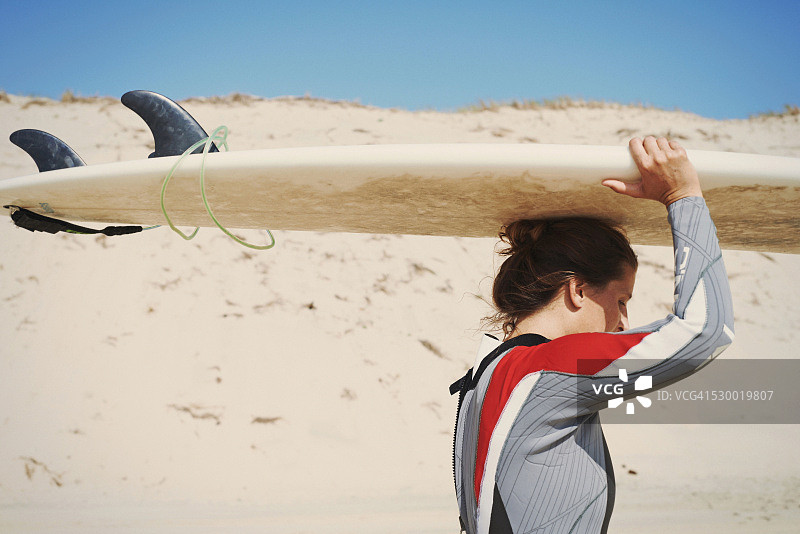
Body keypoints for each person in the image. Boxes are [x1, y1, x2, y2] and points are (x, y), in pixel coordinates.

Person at [450, 136, 735, 534]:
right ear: (578, 290)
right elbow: (705, 331)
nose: (622, 322)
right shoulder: (547, 368)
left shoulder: (489, 371)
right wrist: (682, 196)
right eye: (620, 300)